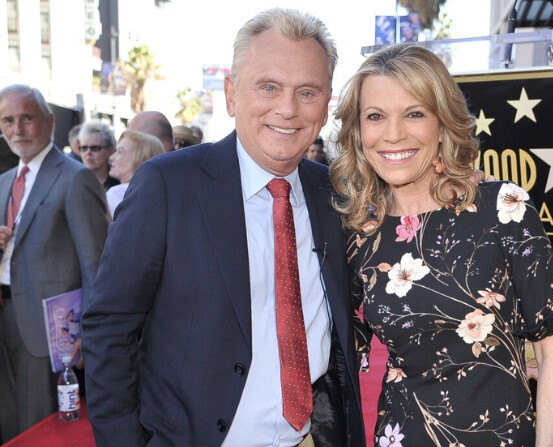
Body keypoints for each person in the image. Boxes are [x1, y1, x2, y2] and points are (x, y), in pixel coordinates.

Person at [81, 8, 365, 447]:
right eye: (268, 87)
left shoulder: (336, 195)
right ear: (232, 94)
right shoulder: (167, 185)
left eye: (307, 92)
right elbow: (110, 325)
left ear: (326, 105)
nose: (287, 109)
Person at [330, 44, 553, 447]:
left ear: (442, 124)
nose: (393, 134)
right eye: (375, 116)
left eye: (414, 113)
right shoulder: (360, 232)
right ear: (358, 132)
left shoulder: (503, 209)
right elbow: (337, 356)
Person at [0, 84, 109, 443]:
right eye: (8, 120)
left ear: (49, 123)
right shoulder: (2, 183)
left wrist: (88, 334)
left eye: (27, 118)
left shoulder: (75, 177)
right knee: (8, 426)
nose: (17, 130)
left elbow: (97, 265)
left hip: (49, 334)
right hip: (4, 318)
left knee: (41, 432)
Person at [106, 129, 164, 216]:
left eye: (119, 152)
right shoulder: (162, 194)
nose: (111, 158)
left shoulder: (116, 193)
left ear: (139, 158)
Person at [78, 121, 120, 190]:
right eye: (84, 148)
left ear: (110, 151)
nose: (88, 153)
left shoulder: (119, 181)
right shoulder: (74, 180)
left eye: (95, 148)